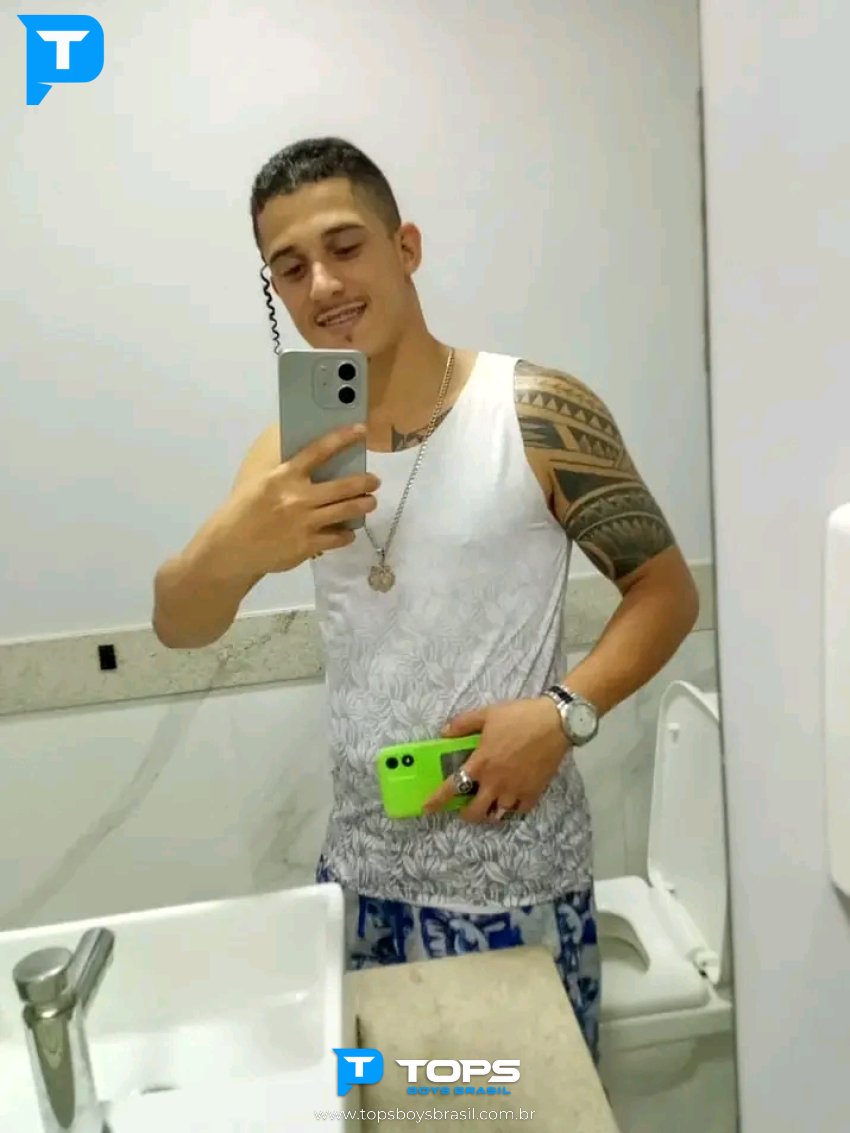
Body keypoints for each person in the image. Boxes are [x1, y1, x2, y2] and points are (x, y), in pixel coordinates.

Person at [151, 137, 700, 1065]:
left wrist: (562, 713)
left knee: (522, 1119)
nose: (323, 284)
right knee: (382, 1119)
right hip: (358, 886)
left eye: (344, 246)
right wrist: (233, 545)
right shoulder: (294, 454)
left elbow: (668, 593)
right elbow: (180, 623)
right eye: (290, 267)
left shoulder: (534, 410)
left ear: (405, 247)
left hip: (515, 881)